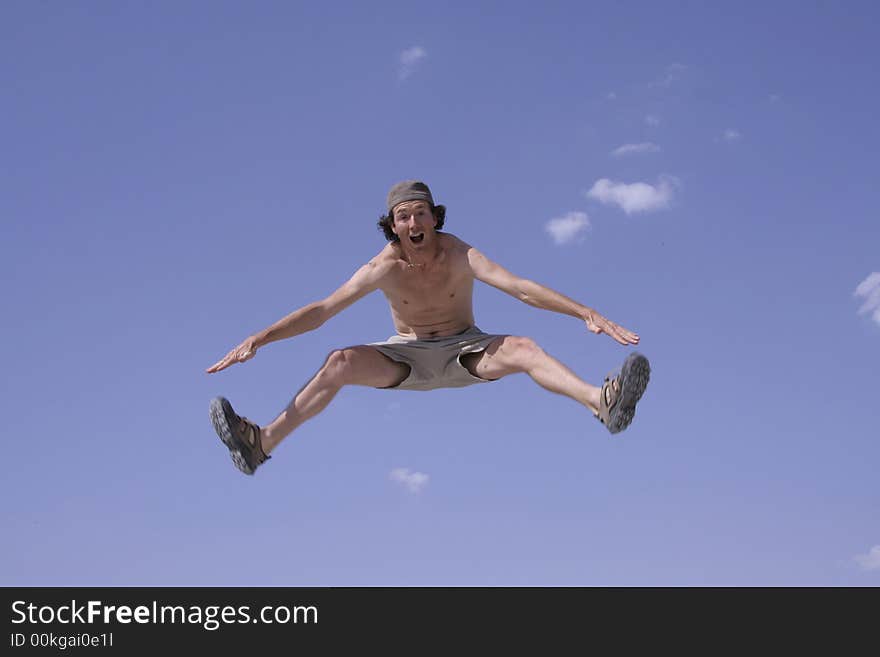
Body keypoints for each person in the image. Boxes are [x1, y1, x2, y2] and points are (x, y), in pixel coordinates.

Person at [206, 180, 650, 475]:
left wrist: (585, 311)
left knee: (523, 347)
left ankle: (602, 402)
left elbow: (521, 289)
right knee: (338, 362)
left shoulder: (460, 255)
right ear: (393, 226)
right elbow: (323, 310)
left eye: (420, 214)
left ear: (435, 218)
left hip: (467, 352)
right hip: (407, 358)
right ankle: (260, 442)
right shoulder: (384, 266)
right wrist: (261, 338)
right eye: (404, 217)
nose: (413, 223)